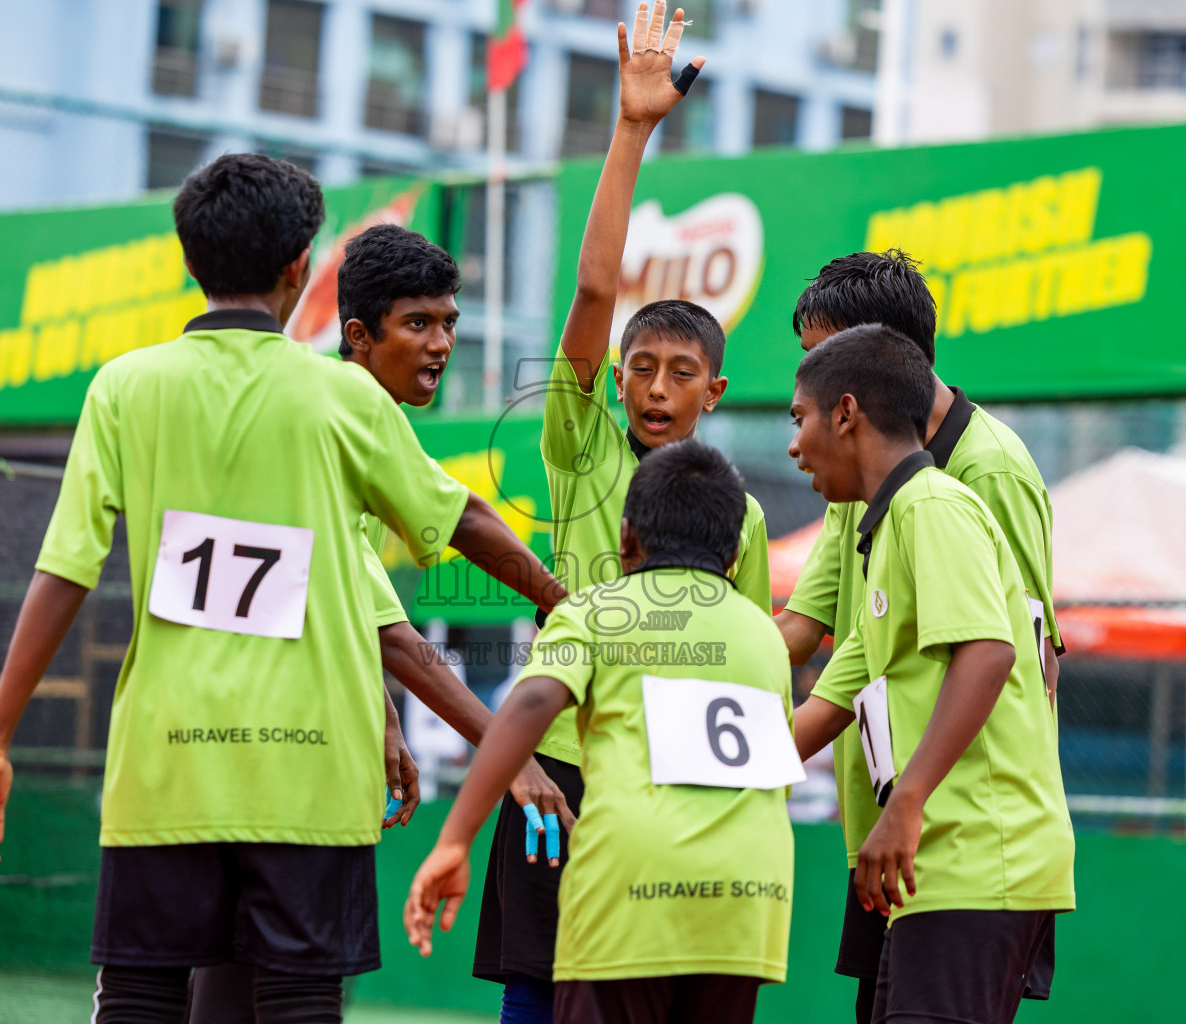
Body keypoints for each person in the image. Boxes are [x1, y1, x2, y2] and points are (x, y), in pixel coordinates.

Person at [0, 153, 564, 1024]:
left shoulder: (123, 386)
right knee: (299, 1001)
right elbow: (459, 517)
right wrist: (557, 598)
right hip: (307, 777)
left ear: (191, 262)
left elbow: (64, 571)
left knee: (140, 996)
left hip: (164, 769)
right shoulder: (341, 399)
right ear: (298, 270)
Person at [185, 223, 574, 1024]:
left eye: (451, 323)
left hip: (213, 747)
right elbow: (419, 587)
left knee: (222, 979)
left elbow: (341, 611)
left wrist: (382, 717)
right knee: (286, 989)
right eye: (419, 324)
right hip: (284, 766)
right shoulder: (347, 409)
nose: (441, 343)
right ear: (358, 337)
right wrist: (512, 749)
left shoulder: (320, 413)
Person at [470, 7, 771, 1022]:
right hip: (560, 768)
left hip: (674, 791)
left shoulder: (737, 518)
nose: (654, 386)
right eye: (639, 367)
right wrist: (631, 131)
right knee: (537, 988)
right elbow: (599, 284)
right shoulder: (584, 448)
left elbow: (755, 669)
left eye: (680, 372)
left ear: (713, 395)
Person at [407, 439, 798, 1024]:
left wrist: (456, 837)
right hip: (751, 899)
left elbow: (534, 698)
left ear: (626, 538)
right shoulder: (766, 636)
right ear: (736, 554)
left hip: (630, 891)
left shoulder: (595, 610)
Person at [772, 250, 1064, 1022]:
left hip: (962, 837)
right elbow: (826, 645)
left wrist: (920, 799)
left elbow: (1018, 655)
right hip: (900, 836)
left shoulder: (972, 480)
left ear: (857, 390)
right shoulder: (867, 487)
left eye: (815, 373)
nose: (795, 431)